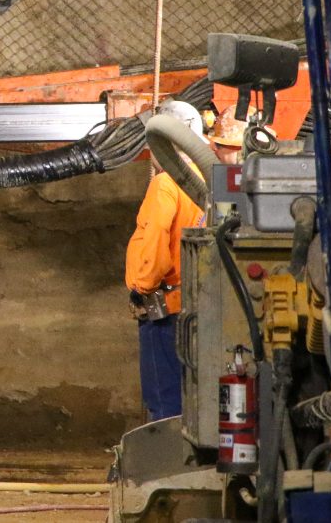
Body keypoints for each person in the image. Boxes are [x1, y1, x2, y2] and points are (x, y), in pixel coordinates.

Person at [125, 100, 209, 423]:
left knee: (164, 401)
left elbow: (156, 235)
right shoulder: (204, 180)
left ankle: (165, 469)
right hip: (195, 305)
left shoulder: (165, 184)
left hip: (165, 307)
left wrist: (142, 286)